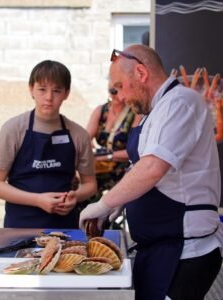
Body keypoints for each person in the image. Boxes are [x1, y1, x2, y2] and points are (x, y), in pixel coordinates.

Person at [79, 45, 223, 300]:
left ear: (141, 72)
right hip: (160, 248)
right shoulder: (153, 112)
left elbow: (152, 167)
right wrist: (119, 203)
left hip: (185, 252)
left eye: (120, 86)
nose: (120, 97)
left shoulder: (181, 103)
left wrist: (103, 203)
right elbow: (140, 167)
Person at [0, 60, 97, 229]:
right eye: (42, 89)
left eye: (57, 90)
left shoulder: (78, 134)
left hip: (64, 228)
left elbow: (90, 185)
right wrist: (37, 200)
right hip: (19, 227)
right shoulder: (13, 129)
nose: (49, 97)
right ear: (31, 89)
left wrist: (76, 196)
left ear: (66, 93)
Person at [86, 86, 141, 205]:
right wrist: (89, 147)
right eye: (112, 90)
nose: (116, 94)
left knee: (90, 185)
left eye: (119, 90)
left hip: (123, 167)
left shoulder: (134, 113)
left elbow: (134, 151)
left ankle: (100, 217)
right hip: (102, 163)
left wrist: (105, 156)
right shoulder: (101, 110)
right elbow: (84, 139)